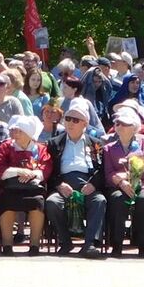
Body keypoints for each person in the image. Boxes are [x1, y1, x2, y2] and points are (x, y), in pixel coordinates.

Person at [41, 103, 106, 256]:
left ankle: (89, 244)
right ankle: (65, 242)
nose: (70, 123)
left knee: (99, 200)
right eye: (68, 119)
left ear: (85, 124)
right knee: (52, 202)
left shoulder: (97, 144)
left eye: (75, 120)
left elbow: (103, 169)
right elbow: (48, 169)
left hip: (87, 184)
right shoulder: (54, 143)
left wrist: (94, 184)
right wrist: (59, 184)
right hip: (63, 184)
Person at [99, 105, 144, 258]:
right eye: (117, 123)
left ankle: (143, 245)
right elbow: (108, 173)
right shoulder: (109, 148)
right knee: (117, 199)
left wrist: (128, 176)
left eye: (124, 123)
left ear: (134, 127)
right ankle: (117, 245)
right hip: (119, 186)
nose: (119, 126)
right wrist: (122, 183)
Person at [0, 115, 49, 255]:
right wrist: (18, 171)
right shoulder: (6, 147)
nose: (15, 134)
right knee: (6, 202)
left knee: (37, 203)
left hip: (33, 189)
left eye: (20, 131)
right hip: (9, 188)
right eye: (14, 131)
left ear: (29, 133)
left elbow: (46, 168)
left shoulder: (40, 149)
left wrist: (31, 174)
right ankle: (7, 245)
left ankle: (34, 245)